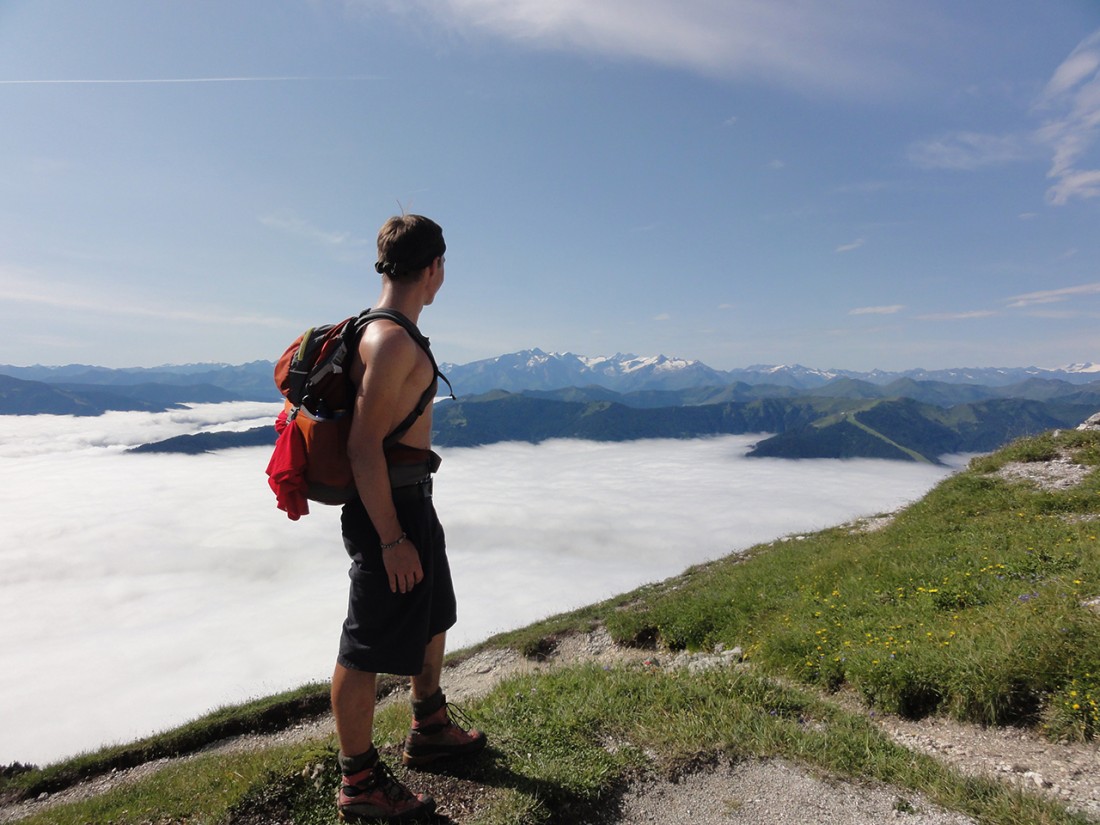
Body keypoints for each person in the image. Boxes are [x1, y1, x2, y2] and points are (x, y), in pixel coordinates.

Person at [332, 214, 486, 822]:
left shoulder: (385, 332)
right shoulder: (392, 341)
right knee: (365, 645)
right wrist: (393, 538)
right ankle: (359, 783)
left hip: (412, 502)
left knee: (433, 613)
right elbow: (362, 448)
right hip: (389, 513)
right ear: (434, 269)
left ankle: (429, 727)